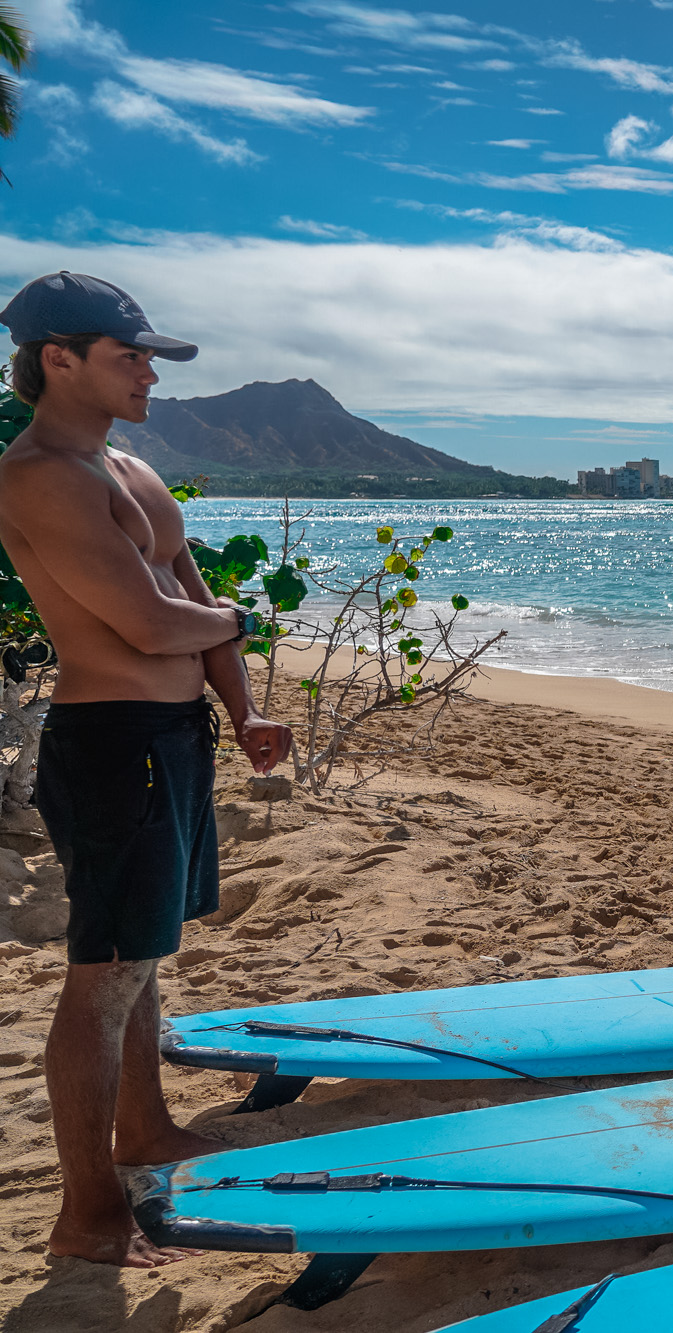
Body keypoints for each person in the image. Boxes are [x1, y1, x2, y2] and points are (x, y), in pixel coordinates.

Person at [0, 272, 294, 1267]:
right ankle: (87, 1216)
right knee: (105, 974)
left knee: (143, 957)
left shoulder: (130, 468)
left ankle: (145, 1130)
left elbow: (190, 593)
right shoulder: (38, 475)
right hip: (112, 742)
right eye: (132, 357)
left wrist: (243, 706)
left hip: (172, 738)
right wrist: (238, 622)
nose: (149, 376)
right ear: (58, 359)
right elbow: (148, 620)